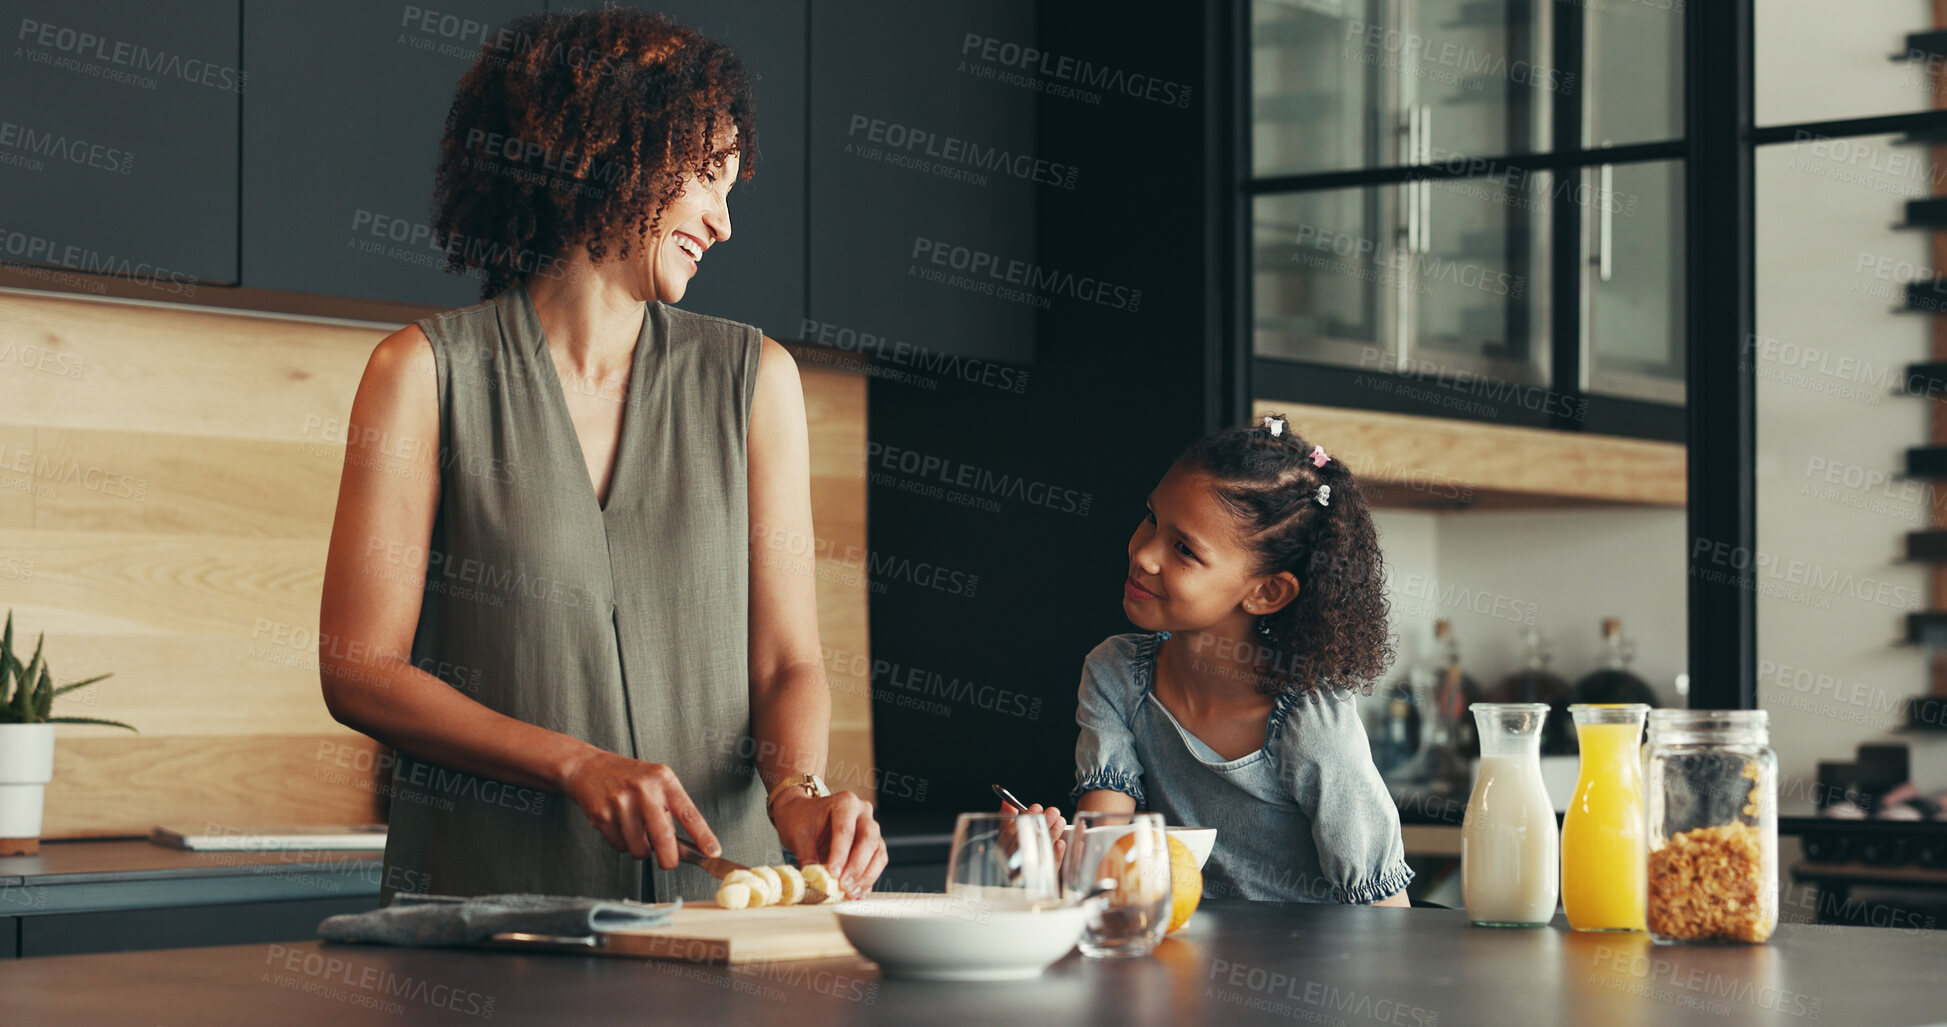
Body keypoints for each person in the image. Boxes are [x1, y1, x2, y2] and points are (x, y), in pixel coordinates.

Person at [317, 9, 885, 904]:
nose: (723, 222)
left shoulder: (754, 380)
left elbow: (786, 663)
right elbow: (360, 670)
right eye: (705, 177)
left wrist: (796, 789)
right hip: (492, 910)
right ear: (609, 151)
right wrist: (575, 764)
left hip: (720, 909)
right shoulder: (423, 373)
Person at [1021, 414, 1412, 905]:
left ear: (1266, 592)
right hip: (1176, 969)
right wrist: (1046, 860)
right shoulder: (1115, 673)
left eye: (1183, 549)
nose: (1144, 554)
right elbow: (1104, 866)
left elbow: (1386, 916)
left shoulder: (1312, 727)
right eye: (1151, 519)